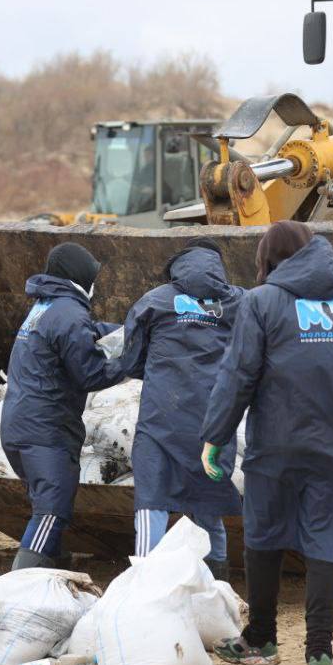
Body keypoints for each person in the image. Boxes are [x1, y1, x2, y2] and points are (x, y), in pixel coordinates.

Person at [201, 221, 333, 665]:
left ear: (269, 257)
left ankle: (261, 639)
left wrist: (216, 434)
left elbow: (239, 373)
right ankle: (321, 653)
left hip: (275, 442)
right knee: (327, 540)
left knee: (263, 535)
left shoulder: (260, 302)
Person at [117, 237, 244, 580]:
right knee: (208, 501)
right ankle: (217, 583)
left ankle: (143, 580)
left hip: (162, 418)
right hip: (214, 422)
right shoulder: (240, 302)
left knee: (152, 499)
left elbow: (131, 361)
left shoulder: (154, 301)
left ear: (177, 267)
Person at [1, 242, 125, 571]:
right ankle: (20, 586)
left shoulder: (46, 306)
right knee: (52, 509)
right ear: (79, 276)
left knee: (48, 503)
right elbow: (91, 372)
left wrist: (124, 330)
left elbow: (78, 335)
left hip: (20, 425)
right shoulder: (70, 312)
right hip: (46, 429)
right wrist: (129, 362)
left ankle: (50, 565)